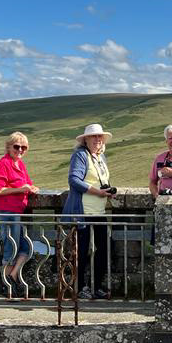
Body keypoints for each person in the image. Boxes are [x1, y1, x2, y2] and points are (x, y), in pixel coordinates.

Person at [62, 123, 115, 300]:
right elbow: (74, 180)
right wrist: (97, 192)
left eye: (100, 136)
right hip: (82, 211)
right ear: (85, 140)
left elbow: (99, 180)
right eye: (94, 136)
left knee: (104, 249)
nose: (97, 139)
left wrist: (106, 191)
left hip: (99, 211)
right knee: (82, 251)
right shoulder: (80, 155)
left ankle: (96, 286)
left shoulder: (101, 157)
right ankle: (80, 287)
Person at [0, 131, 40, 283]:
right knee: (11, 248)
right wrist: (21, 189)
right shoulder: (3, 163)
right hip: (6, 211)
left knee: (26, 247)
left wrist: (32, 188)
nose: (20, 150)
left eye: (24, 148)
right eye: (16, 146)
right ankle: (8, 286)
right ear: (8, 147)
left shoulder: (20, 164)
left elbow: (27, 183)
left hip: (16, 211)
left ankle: (12, 276)